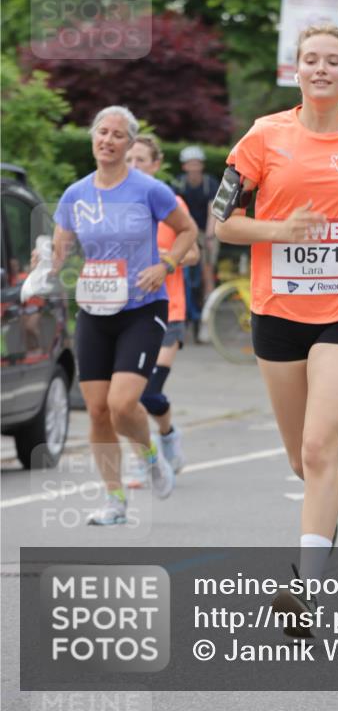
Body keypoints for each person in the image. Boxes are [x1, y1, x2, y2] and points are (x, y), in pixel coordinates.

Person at [214, 24, 338, 624]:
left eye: (334, 61)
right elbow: (221, 222)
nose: (321, 69)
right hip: (276, 314)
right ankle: (323, 531)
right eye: (310, 60)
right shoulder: (262, 136)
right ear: (296, 70)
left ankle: (307, 589)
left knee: (322, 447)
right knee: (302, 459)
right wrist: (277, 231)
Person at [52, 106, 198, 525]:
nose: (108, 140)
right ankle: (115, 501)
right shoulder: (75, 194)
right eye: (102, 132)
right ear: (92, 138)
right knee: (97, 411)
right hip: (95, 307)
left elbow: (187, 230)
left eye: (118, 135)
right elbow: (61, 247)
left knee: (122, 403)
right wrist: (48, 261)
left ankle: (151, 455)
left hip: (142, 307)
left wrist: (166, 265)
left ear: (129, 143)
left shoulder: (149, 189)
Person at [125, 133, 201, 485]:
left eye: (141, 160)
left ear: (155, 165)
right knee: (126, 397)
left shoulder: (171, 203)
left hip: (168, 310)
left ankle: (168, 435)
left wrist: (163, 263)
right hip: (126, 313)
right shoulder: (116, 205)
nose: (134, 166)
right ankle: (146, 458)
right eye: (129, 160)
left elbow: (195, 252)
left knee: (149, 392)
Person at [174, 145, 219, 340]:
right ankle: (181, 317)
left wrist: (209, 236)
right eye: (190, 164)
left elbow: (213, 210)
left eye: (197, 163)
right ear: (185, 167)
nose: (194, 167)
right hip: (185, 229)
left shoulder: (210, 183)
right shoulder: (179, 184)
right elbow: (177, 210)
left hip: (205, 230)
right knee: (179, 269)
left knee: (207, 271)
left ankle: (207, 322)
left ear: (201, 165)